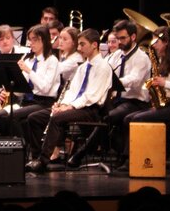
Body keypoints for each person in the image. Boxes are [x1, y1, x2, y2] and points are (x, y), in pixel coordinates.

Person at [25, 29, 113, 173]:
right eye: (79, 44)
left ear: (94, 45)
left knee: (57, 118)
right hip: (74, 107)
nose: (79, 48)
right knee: (34, 118)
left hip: (90, 110)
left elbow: (91, 96)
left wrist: (69, 107)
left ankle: (43, 161)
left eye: (82, 44)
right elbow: (72, 91)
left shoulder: (103, 67)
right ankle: (35, 158)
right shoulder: (83, 67)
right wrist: (62, 104)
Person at [121, 26, 170, 162]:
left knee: (138, 119)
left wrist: (165, 83)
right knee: (128, 118)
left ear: (166, 42)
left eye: (156, 42)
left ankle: (131, 159)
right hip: (168, 104)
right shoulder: (163, 60)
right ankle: (132, 156)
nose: (153, 46)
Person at [0, 25, 59, 139]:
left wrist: (29, 71)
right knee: (0, 116)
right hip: (26, 102)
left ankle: (23, 146)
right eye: (30, 40)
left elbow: (45, 88)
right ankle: (9, 145)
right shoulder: (29, 60)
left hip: (43, 103)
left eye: (35, 40)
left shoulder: (52, 61)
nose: (31, 43)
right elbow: (20, 93)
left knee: (13, 116)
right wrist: (13, 83)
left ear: (44, 40)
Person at [105, 19, 153, 156]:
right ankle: (114, 149)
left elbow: (135, 80)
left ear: (133, 37)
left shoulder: (142, 57)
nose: (119, 42)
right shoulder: (117, 55)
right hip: (117, 100)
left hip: (135, 102)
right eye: (118, 38)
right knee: (94, 113)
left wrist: (114, 82)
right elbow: (104, 68)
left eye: (122, 38)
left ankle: (124, 155)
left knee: (109, 117)